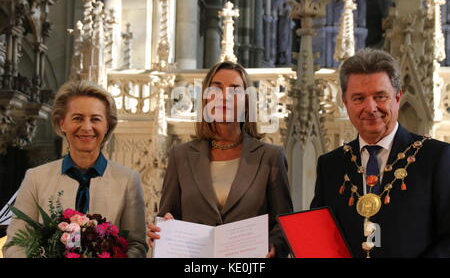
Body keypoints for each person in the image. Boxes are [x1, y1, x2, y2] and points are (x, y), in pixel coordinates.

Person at [310, 48, 450, 258]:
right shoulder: (330, 165)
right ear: (345, 102)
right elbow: (318, 237)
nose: (371, 107)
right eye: (358, 98)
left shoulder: (437, 157)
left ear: (398, 97)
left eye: (380, 96)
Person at [147, 61, 293, 257]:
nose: (224, 97)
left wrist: (274, 247)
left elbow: (284, 225)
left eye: (235, 90)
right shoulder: (181, 156)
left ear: (247, 102)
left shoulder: (271, 157)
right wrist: (160, 231)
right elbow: (167, 216)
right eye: (216, 89)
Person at [3, 80, 148, 258]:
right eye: (78, 118)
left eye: (95, 119)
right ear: (62, 123)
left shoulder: (128, 181)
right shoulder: (36, 178)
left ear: (107, 125)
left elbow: (137, 246)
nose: (86, 127)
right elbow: (15, 244)